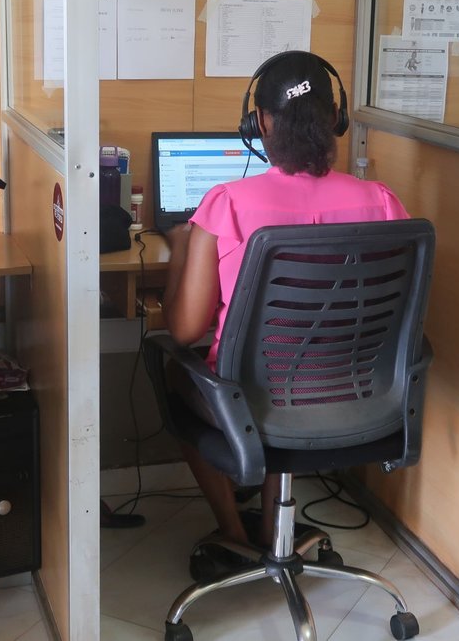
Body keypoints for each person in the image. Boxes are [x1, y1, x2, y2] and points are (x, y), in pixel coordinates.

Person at [163, 51, 409, 552]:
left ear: (259, 123)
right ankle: (275, 525)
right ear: (335, 119)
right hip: (357, 397)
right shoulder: (382, 201)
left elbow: (186, 331)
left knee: (173, 370)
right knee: (289, 363)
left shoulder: (227, 203)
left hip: (256, 403)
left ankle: (233, 532)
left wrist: (179, 251)